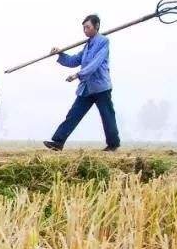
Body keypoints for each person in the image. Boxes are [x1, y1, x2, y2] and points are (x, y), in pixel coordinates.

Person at [43, 14, 120, 152]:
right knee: (74, 114)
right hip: (87, 88)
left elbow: (94, 64)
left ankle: (113, 144)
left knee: (107, 115)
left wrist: (78, 75)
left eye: (88, 27)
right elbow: (74, 60)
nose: (85, 30)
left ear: (96, 26)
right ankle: (58, 142)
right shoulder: (87, 45)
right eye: (83, 28)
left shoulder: (103, 42)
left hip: (101, 88)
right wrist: (60, 54)